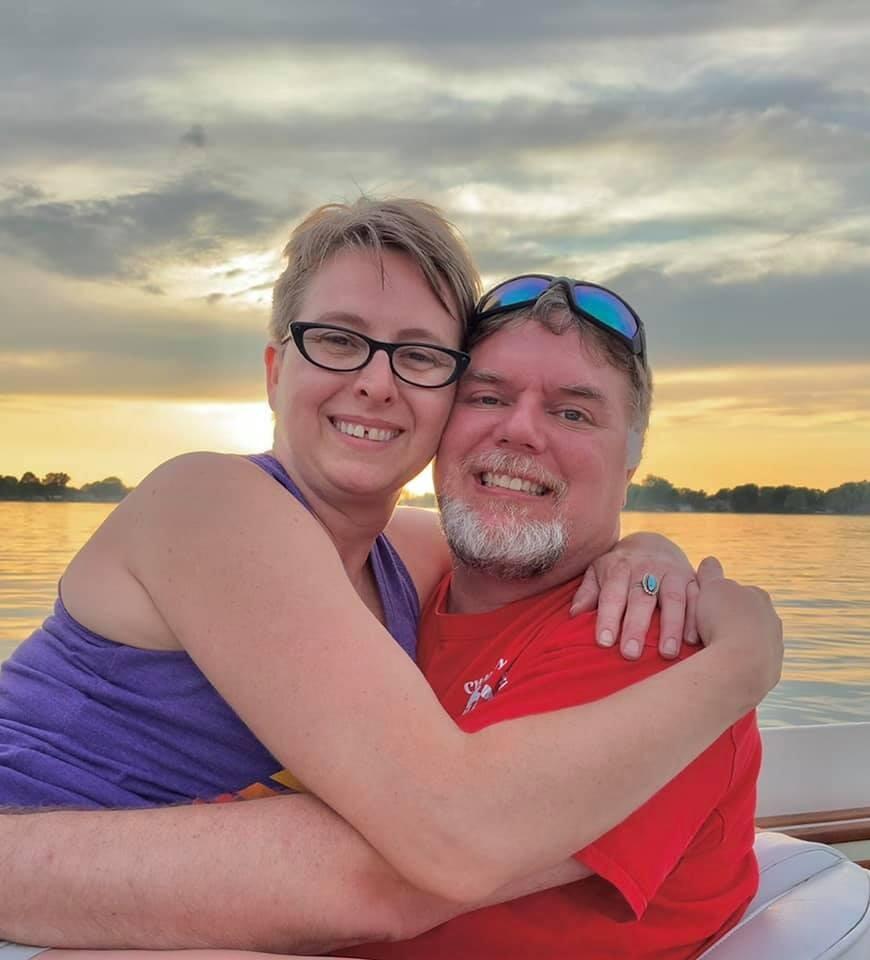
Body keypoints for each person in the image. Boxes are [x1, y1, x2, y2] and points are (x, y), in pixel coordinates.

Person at [0, 201, 780, 958]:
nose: (376, 383)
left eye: (418, 356)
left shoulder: (408, 557)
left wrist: (647, 549)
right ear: (275, 371)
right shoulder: (209, 502)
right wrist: (738, 669)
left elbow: (535, 537)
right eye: (337, 340)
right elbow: (444, 838)